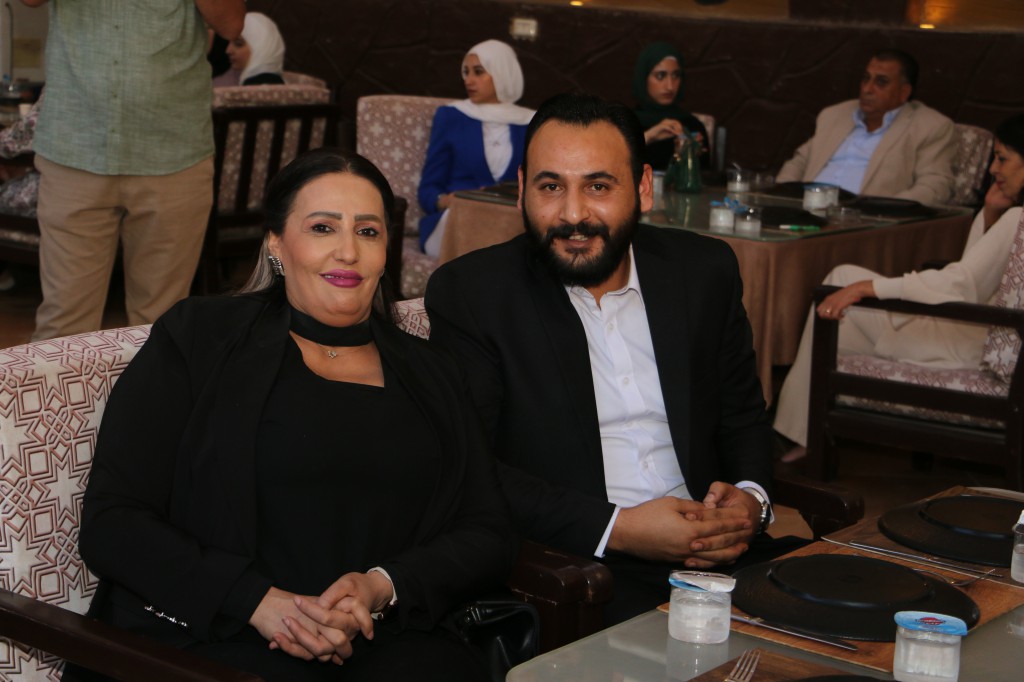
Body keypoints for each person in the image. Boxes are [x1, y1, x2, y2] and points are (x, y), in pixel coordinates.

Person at [67, 149, 515, 682]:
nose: (348, 250)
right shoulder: (199, 337)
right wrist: (256, 601)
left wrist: (383, 585)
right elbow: (113, 521)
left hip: (382, 639)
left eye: (368, 232)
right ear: (277, 243)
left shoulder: (432, 372)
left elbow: (487, 529)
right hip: (212, 635)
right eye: (323, 227)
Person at [426, 93, 780, 625]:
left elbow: (743, 417)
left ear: (643, 188)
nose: (573, 215)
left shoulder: (702, 271)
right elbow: (469, 468)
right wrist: (621, 528)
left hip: (726, 556)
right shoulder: (475, 295)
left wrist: (752, 501)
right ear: (522, 189)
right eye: (550, 187)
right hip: (586, 573)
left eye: (598, 186)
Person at [774, 113, 1024, 460]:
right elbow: (976, 280)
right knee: (842, 293)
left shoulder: (1018, 218)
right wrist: (990, 213)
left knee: (843, 288)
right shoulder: (1014, 217)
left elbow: (961, 283)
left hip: (970, 344)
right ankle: (807, 432)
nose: (993, 169)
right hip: (985, 335)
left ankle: (801, 434)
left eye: (1002, 158)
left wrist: (872, 288)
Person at [22, 0, 246, 342]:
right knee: (63, 328)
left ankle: (152, 381)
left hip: (175, 153)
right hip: (75, 148)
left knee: (162, 326)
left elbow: (231, 24)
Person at [776, 49, 955, 206]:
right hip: (806, 211)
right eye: (866, 78)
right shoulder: (834, 115)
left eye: (881, 82)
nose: (867, 89)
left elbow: (935, 185)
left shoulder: (930, 126)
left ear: (904, 92)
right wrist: (784, 198)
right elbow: (799, 162)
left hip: (866, 221)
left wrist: (889, 210)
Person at [418, 39, 534, 257]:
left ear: (502, 72)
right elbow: (428, 190)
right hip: (456, 222)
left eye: (478, 72)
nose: (469, 80)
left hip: (508, 223)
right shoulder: (450, 116)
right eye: (466, 72)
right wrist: (446, 200)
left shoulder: (531, 123)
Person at [632, 42, 709, 170]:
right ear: (643, 77)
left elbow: (707, 176)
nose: (670, 86)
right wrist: (648, 137)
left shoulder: (691, 125)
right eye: (660, 76)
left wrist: (689, 157)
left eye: (675, 75)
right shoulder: (626, 123)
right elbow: (612, 165)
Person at [213, 12, 287, 87]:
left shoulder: (256, 86)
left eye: (238, 44)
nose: (228, 50)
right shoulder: (274, 81)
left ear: (261, 48)